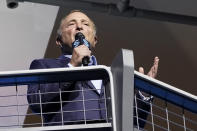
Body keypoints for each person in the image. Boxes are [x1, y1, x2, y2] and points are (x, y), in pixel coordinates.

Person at [27, 10, 159, 128]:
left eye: (85, 24)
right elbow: (36, 102)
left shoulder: (110, 75)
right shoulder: (44, 65)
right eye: (71, 24)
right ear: (59, 40)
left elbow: (132, 124)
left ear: (95, 40)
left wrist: (144, 94)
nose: (79, 26)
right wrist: (72, 66)